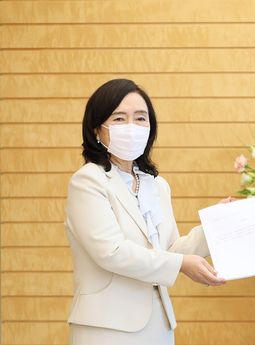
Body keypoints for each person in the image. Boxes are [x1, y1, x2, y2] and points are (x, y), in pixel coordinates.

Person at [65, 79, 225, 344]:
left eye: (141, 118)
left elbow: (170, 249)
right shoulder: (87, 181)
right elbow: (111, 252)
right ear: (96, 129)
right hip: (106, 327)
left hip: (159, 325)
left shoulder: (156, 185)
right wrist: (181, 264)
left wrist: (217, 225)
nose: (132, 127)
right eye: (119, 119)